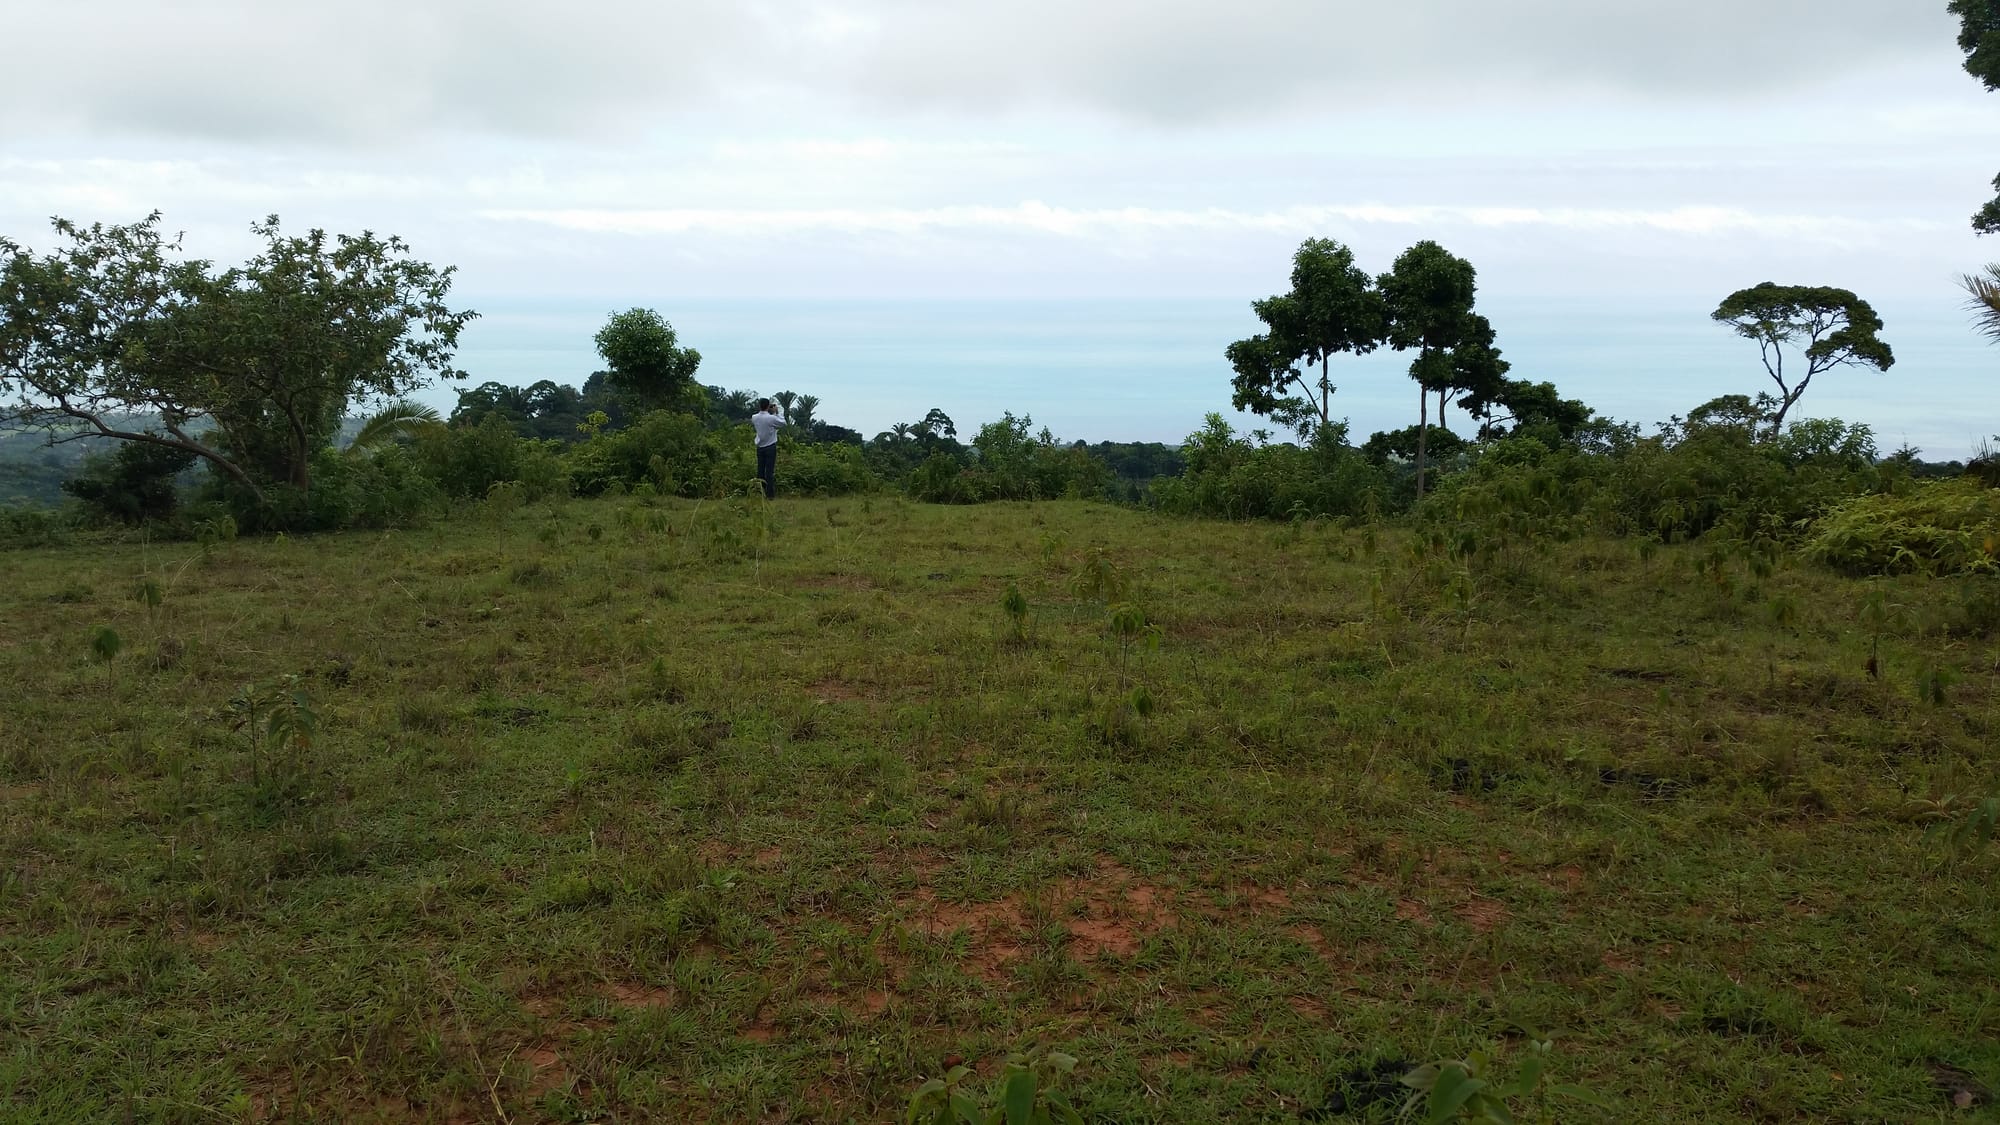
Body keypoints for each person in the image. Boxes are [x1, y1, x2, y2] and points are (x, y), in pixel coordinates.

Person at [750, 398, 785, 499]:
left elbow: (763, 421)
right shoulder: (771, 418)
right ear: (768, 406)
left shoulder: (754, 417)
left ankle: (760, 492)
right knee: (769, 472)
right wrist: (776, 412)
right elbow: (783, 423)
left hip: (760, 446)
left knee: (760, 471)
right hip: (770, 446)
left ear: (759, 405)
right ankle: (770, 495)